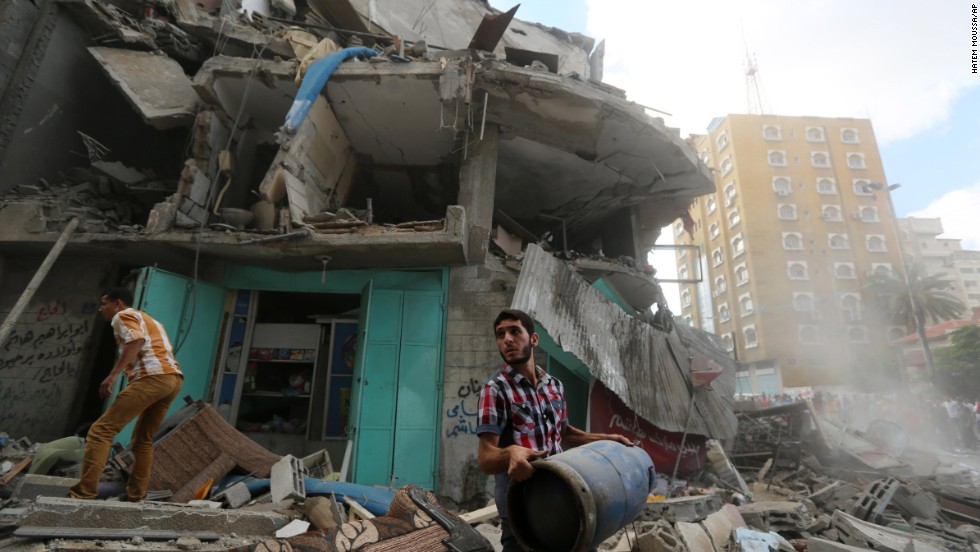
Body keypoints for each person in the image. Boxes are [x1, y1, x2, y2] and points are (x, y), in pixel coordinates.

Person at [475, 309, 632, 552]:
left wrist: (607, 440)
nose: (507, 339)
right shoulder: (495, 390)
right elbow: (486, 458)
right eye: (500, 334)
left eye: (515, 331)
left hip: (562, 496)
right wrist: (511, 454)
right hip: (521, 509)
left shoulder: (554, 386)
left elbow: (565, 433)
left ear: (534, 340)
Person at [69, 287, 183, 501]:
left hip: (152, 378)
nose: (101, 308)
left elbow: (136, 340)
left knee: (100, 431)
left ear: (118, 303)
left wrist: (113, 375)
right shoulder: (150, 319)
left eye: (105, 303)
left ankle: (83, 493)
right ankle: (136, 495)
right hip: (172, 379)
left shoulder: (122, 316)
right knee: (142, 440)